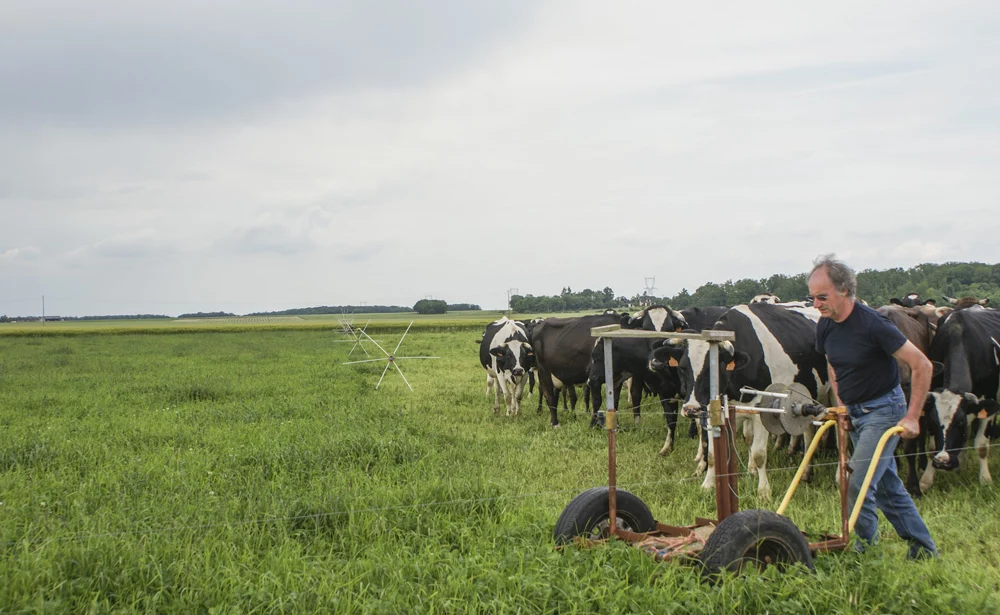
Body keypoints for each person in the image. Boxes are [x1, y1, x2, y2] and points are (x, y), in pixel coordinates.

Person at [808, 254, 937, 559]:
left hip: (884, 410)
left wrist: (912, 417)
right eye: (812, 298)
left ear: (844, 290)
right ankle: (924, 549)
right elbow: (833, 365)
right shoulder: (825, 326)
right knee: (888, 486)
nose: (816, 305)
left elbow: (922, 365)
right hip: (854, 413)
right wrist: (841, 406)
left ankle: (867, 557)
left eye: (822, 297)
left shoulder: (874, 324)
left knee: (858, 484)